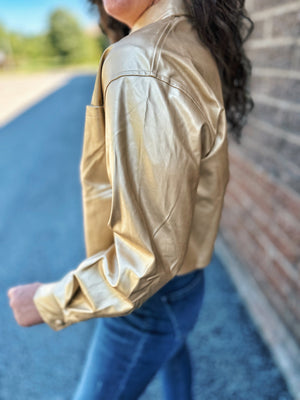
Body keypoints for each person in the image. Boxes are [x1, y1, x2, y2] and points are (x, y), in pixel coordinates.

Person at [7, 0, 254, 398]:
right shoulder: (191, 38)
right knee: (174, 354)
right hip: (185, 280)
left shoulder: (141, 61)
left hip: (148, 300)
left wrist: (46, 302)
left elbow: (146, 258)